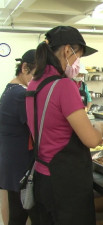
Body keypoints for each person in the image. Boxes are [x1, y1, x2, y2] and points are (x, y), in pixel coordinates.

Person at [25, 26, 103, 225]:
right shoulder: (63, 86)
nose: (79, 62)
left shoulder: (34, 84)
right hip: (66, 185)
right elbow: (92, 140)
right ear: (68, 50)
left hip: (43, 178)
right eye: (79, 55)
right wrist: (101, 128)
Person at [0, 49, 39, 225]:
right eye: (37, 76)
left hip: (11, 160)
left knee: (17, 211)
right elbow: (38, 129)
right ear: (24, 68)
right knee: (20, 214)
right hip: (18, 164)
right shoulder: (20, 95)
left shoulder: (10, 89)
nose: (39, 82)